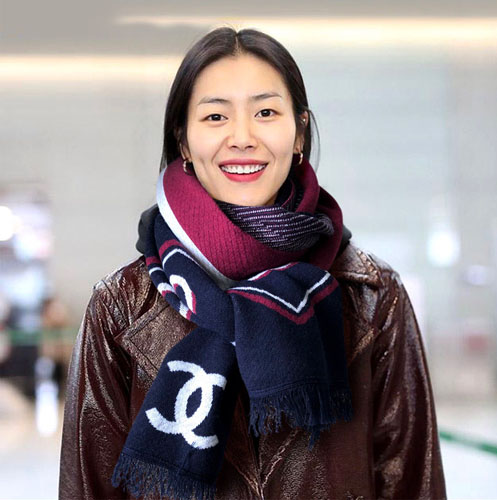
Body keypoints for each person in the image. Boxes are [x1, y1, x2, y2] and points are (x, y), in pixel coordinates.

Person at [59, 27, 447, 500]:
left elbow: (412, 483)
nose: (242, 138)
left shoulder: (372, 295)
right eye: (215, 116)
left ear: (299, 131)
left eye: (265, 112)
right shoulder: (121, 306)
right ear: (184, 140)